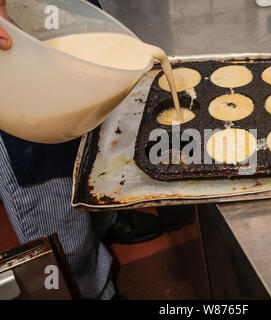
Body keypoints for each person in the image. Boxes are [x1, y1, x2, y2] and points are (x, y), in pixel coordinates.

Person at [0, 0, 165, 299]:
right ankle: (91, 288)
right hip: (12, 48)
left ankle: (101, 219)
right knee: (50, 195)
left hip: (53, 19)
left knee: (90, 136)